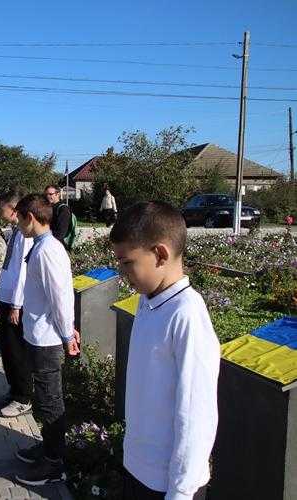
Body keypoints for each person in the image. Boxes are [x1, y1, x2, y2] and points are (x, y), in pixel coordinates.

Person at [110, 202, 218, 500]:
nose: (122, 272)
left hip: (171, 483)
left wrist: (181, 491)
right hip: (138, 467)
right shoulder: (149, 300)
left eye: (127, 262)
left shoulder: (187, 314)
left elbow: (197, 414)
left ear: (160, 254)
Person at [13, 193, 78, 487]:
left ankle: (54, 462)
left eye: (19, 219)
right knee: (43, 396)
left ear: (30, 217)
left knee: (51, 400)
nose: (17, 225)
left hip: (48, 338)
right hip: (37, 333)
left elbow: (61, 297)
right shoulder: (39, 247)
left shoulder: (48, 250)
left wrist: (67, 333)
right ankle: (47, 446)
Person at [0, 191, 34, 419]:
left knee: (17, 350)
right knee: (7, 348)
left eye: (2, 209)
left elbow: (22, 274)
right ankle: (14, 390)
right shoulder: (17, 232)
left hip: (16, 301)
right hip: (7, 297)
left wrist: (17, 305)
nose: (0, 213)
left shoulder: (26, 236)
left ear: (13, 209)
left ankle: (23, 397)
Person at [44, 185, 72, 250]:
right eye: (46, 194)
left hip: (58, 247)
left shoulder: (63, 209)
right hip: (48, 243)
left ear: (58, 194)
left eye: (50, 194)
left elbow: (61, 233)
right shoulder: (48, 208)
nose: (48, 196)